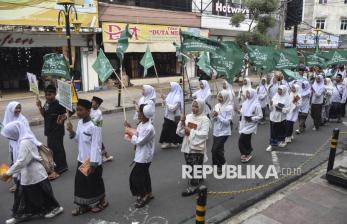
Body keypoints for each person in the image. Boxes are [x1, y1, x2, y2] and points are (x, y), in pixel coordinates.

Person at [1, 121, 63, 224]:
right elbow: (20, 161)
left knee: (42, 195)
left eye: (9, 135)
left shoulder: (25, 141)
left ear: (14, 132)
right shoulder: (21, 141)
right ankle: (21, 215)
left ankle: (56, 208)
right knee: (23, 195)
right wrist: (14, 174)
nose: (9, 138)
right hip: (27, 175)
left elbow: (22, 161)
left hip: (35, 174)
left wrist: (8, 173)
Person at [66, 99, 108, 216]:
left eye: (80, 110)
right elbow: (78, 140)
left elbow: (96, 145)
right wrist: (71, 131)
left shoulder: (95, 125)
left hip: (92, 161)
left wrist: (93, 164)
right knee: (81, 184)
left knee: (95, 182)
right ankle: (84, 206)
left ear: (88, 111)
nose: (78, 112)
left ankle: (103, 201)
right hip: (82, 159)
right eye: (77, 110)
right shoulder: (80, 123)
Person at [177, 99, 210, 197]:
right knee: (190, 163)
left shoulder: (205, 119)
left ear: (201, 107)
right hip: (187, 145)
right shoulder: (188, 116)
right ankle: (198, 177)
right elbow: (180, 132)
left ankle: (193, 186)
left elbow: (204, 134)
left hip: (197, 147)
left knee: (193, 166)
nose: (194, 109)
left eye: (197, 107)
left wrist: (190, 131)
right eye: (193, 106)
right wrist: (182, 122)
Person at [124, 104, 155, 208]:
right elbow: (137, 134)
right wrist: (129, 128)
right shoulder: (141, 124)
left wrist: (130, 133)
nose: (138, 114)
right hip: (140, 154)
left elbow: (139, 141)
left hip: (145, 157)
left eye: (140, 112)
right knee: (144, 175)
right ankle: (148, 192)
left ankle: (144, 194)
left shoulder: (149, 128)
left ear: (145, 114)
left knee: (135, 177)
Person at [36, 85, 68, 180]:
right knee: (53, 149)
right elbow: (44, 115)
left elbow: (70, 111)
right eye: (46, 95)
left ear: (54, 94)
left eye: (49, 95)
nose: (47, 97)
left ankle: (58, 169)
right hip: (49, 130)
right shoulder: (46, 103)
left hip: (57, 130)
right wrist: (39, 107)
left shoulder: (59, 104)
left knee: (57, 149)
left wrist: (63, 118)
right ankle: (60, 167)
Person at [211, 90, 234, 173]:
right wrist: (213, 116)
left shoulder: (229, 108)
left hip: (224, 132)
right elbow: (213, 119)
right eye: (218, 96)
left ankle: (222, 164)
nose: (219, 98)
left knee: (214, 150)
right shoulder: (217, 106)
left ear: (225, 98)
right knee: (219, 149)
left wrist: (219, 116)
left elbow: (227, 123)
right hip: (216, 130)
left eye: (221, 97)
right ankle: (219, 164)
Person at [238, 89, 263, 162]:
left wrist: (252, 118)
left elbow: (260, 116)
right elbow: (242, 112)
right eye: (246, 93)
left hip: (251, 125)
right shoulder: (245, 102)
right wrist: (238, 110)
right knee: (246, 140)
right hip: (244, 124)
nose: (247, 95)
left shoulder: (256, 104)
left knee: (242, 139)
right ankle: (246, 152)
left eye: (248, 93)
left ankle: (247, 153)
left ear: (252, 94)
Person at [159, 82, 184, 149]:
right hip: (167, 116)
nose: (169, 87)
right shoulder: (170, 94)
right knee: (166, 129)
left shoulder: (178, 97)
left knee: (172, 130)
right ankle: (168, 142)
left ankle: (174, 142)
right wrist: (164, 100)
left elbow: (173, 108)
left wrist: (166, 102)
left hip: (174, 116)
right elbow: (165, 105)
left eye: (170, 86)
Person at [266, 85, 290, 151]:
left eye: (280, 90)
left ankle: (280, 141)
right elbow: (271, 108)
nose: (279, 91)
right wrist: (270, 104)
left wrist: (281, 109)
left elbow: (288, 110)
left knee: (281, 131)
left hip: (281, 118)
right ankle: (272, 145)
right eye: (278, 89)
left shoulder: (287, 98)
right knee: (273, 132)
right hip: (273, 117)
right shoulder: (275, 96)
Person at [91, 96, 114, 163]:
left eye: (93, 102)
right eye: (91, 101)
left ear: (97, 105)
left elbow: (93, 122)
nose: (91, 103)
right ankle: (105, 156)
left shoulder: (99, 112)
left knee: (98, 142)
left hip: (96, 130)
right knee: (97, 142)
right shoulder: (91, 109)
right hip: (92, 129)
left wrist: (88, 117)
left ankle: (104, 156)